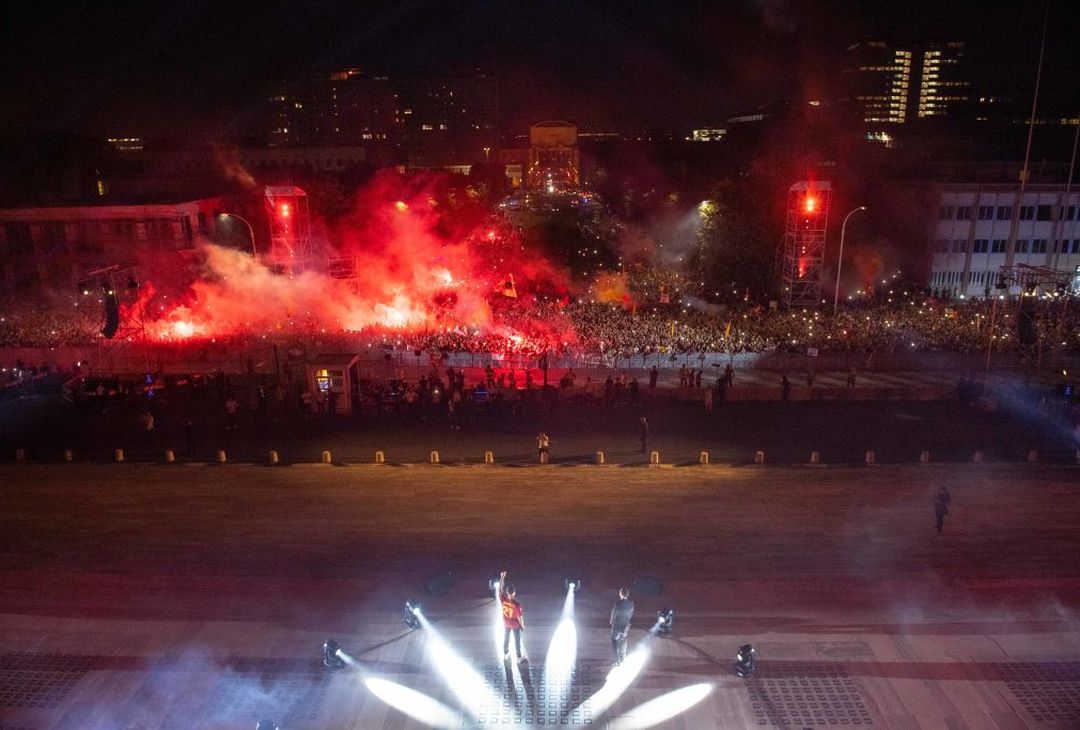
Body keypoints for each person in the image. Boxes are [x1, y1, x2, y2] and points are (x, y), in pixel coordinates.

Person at [498, 571, 527, 663]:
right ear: (514, 593)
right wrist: (522, 626)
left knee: (506, 639)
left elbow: (500, 589)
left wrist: (502, 577)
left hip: (506, 624)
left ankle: (506, 654)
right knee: (517, 641)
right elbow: (520, 617)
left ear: (507, 592)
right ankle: (518, 657)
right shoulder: (516, 605)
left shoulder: (503, 599)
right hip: (515, 625)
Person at [610, 587, 635, 666]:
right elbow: (630, 614)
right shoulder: (631, 604)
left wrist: (611, 621)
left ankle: (616, 660)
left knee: (614, 641)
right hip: (626, 624)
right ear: (628, 594)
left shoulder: (617, 604)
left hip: (617, 624)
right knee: (624, 640)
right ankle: (623, 658)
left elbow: (614, 613)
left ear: (620, 593)